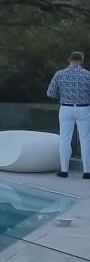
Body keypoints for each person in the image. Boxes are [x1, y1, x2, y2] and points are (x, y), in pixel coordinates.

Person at [46, 50, 90, 178]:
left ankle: (64, 170)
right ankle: (87, 172)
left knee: (65, 139)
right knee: (86, 139)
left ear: (69, 59)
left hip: (66, 108)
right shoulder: (88, 75)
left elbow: (50, 93)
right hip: (84, 109)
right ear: (81, 60)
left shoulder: (60, 74)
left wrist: (63, 95)